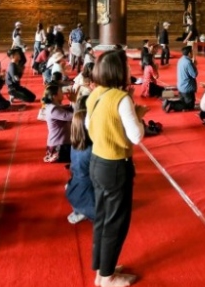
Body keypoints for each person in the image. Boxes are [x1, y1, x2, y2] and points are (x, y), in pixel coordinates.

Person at [85, 49, 146, 287]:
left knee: (102, 218)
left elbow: (91, 126)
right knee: (116, 222)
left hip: (97, 161)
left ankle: (102, 270)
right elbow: (136, 136)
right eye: (128, 67)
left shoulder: (96, 94)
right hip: (115, 167)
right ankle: (108, 276)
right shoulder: (121, 100)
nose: (131, 70)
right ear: (118, 71)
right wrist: (137, 116)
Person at [66, 106, 94, 224]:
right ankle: (85, 210)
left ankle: (80, 208)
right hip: (88, 191)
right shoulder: (93, 149)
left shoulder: (74, 145)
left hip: (74, 188)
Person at [41, 84, 74, 163]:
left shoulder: (53, 106)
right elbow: (73, 116)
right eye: (61, 92)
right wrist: (73, 100)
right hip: (59, 146)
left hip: (61, 143)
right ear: (54, 96)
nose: (63, 94)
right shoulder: (53, 109)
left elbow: (67, 109)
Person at [163, 46, 197, 112]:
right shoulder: (188, 62)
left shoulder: (181, 59)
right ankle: (171, 104)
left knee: (183, 101)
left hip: (181, 86)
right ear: (189, 53)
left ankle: (169, 102)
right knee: (190, 106)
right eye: (192, 52)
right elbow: (194, 75)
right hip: (187, 88)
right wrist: (194, 65)